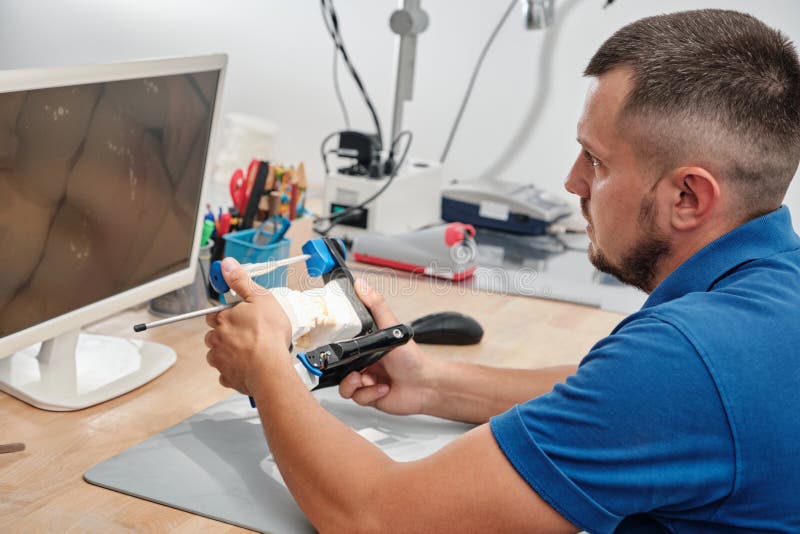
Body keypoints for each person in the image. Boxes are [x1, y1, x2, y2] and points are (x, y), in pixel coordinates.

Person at [204, 9, 800, 532]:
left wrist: (265, 362)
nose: (573, 182)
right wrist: (431, 382)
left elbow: (381, 517)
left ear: (689, 198)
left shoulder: (683, 362)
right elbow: (613, 398)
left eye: (596, 159)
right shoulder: (769, 294)